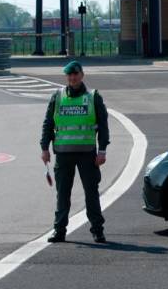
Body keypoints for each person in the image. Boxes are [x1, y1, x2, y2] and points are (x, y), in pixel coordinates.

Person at [40, 60, 110, 243]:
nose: (72, 78)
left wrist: (102, 151)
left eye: (75, 74)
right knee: (62, 194)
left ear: (82, 75)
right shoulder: (58, 97)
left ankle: (97, 230)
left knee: (91, 193)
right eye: (69, 75)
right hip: (63, 154)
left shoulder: (93, 97)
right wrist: (44, 148)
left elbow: (103, 126)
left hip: (87, 154)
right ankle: (59, 231)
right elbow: (48, 124)